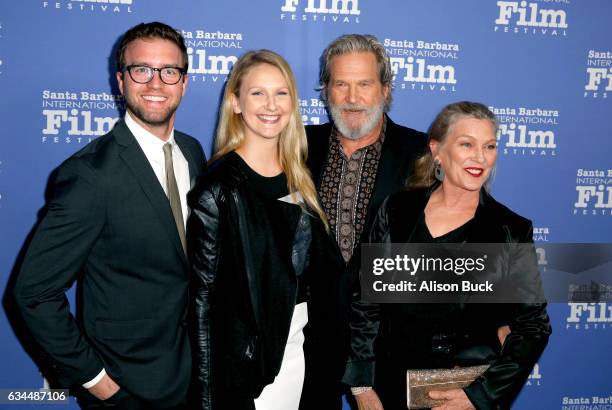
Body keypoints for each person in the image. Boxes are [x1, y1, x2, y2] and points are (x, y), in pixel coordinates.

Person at [13, 22, 206, 409]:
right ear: (121, 81)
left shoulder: (193, 152)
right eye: (142, 70)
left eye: (169, 71)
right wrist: (99, 384)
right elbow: (33, 293)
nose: (156, 83)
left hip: (194, 378)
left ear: (184, 83)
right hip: (126, 387)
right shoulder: (90, 175)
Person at [344, 101, 552, 410]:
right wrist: (362, 386)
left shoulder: (511, 230)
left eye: (490, 146)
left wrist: (479, 396)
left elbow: (533, 326)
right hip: (388, 390)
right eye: (467, 144)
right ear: (437, 150)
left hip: (465, 391)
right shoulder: (396, 210)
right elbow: (366, 302)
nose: (480, 157)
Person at [188, 49, 345, 410]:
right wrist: (209, 400)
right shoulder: (219, 189)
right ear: (235, 103)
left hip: (305, 354)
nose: (270, 104)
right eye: (257, 93)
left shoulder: (301, 174)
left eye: (281, 92)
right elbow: (203, 305)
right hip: (253, 368)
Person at [305, 33, 428, 406]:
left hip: (391, 347)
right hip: (309, 345)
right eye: (340, 84)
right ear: (325, 90)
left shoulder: (424, 154)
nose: (352, 98)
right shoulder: (295, 147)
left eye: (364, 84)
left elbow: (478, 235)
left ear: (385, 90)